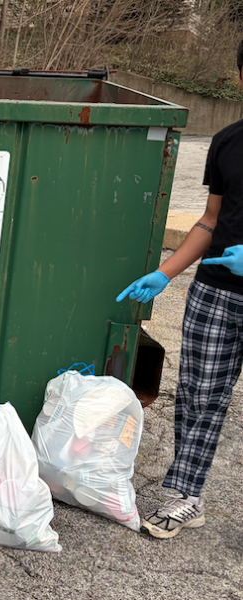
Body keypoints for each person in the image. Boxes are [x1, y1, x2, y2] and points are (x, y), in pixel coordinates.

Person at [116, 38, 243, 540]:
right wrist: (166, 273)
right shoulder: (229, 141)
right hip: (215, 292)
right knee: (198, 396)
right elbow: (210, 221)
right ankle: (186, 497)